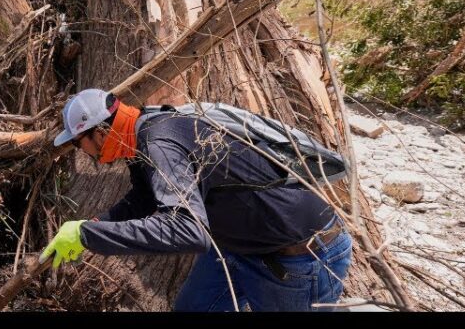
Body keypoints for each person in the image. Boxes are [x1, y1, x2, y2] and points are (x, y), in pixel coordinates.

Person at [40, 88, 353, 311]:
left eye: (80, 143)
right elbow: (144, 198)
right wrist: (99, 224)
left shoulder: (159, 143)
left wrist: (87, 235)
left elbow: (189, 231)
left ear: (101, 132)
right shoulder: (141, 135)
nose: (82, 152)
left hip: (298, 258)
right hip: (236, 248)